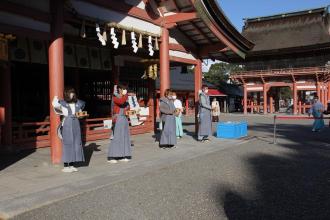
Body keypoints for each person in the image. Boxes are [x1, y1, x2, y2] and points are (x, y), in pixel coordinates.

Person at [52, 87, 85, 173]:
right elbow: (56, 107)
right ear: (66, 94)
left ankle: (72, 164)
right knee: (67, 144)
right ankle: (66, 165)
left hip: (76, 124)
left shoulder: (78, 103)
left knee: (76, 143)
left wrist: (81, 116)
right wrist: (55, 99)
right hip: (67, 124)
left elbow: (80, 113)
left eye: (73, 93)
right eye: (70, 93)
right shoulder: (62, 103)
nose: (72, 94)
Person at [108, 84, 132, 163]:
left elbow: (127, 106)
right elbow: (121, 102)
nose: (124, 90)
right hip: (117, 119)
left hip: (124, 118)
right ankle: (112, 157)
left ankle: (123, 155)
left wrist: (129, 110)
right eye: (122, 89)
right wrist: (126, 95)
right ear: (118, 90)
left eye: (124, 89)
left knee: (124, 137)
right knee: (116, 137)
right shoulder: (115, 97)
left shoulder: (125, 98)